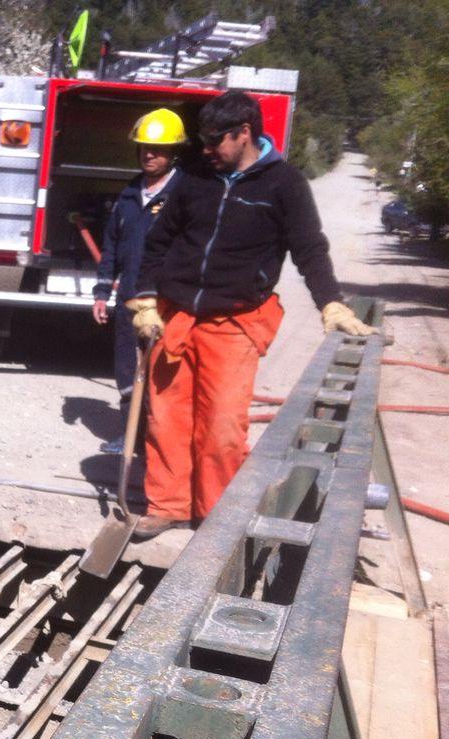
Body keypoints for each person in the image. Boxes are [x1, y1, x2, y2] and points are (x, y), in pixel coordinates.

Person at [128, 91, 378, 540]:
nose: (206, 151)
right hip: (176, 315)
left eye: (214, 142)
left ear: (244, 133)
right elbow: (158, 241)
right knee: (166, 418)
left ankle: (215, 519)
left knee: (222, 426)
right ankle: (167, 505)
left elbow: (309, 248)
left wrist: (331, 301)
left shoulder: (284, 184)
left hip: (235, 322)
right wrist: (146, 300)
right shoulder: (195, 179)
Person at [91, 109, 186, 454]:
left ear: (174, 152)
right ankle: (129, 436)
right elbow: (112, 246)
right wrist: (102, 292)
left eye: (158, 149)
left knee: (162, 373)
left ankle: (157, 441)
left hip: (167, 304)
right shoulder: (130, 194)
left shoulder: (184, 193)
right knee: (126, 369)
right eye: (145, 147)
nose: (150, 154)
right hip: (128, 300)